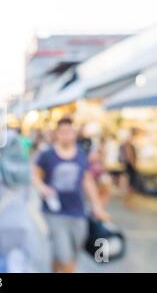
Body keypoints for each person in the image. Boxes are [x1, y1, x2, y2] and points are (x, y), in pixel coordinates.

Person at [32, 117, 110, 273]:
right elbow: (35, 174)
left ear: (74, 134)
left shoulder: (81, 154)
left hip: (77, 212)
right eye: (62, 132)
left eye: (69, 132)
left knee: (71, 253)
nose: (66, 136)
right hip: (54, 213)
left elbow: (87, 181)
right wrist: (42, 188)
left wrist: (97, 206)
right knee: (65, 257)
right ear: (57, 134)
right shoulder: (47, 154)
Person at [0, 132, 46, 273]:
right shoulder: (27, 170)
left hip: (0, 224)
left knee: (0, 264)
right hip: (23, 223)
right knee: (21, 264)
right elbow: (31, 199)